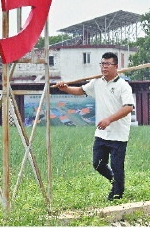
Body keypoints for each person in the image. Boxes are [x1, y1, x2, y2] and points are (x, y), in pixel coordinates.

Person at [55, 52, 134, 201]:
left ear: (116, 67)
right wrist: (65, 88)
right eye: (102, 64)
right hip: (102, 133)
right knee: (98, 163)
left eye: (108, 64)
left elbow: (128, 107)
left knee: (117, 166)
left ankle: (117, 193)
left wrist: (109, 120)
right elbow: (80, 90)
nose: (104, 67)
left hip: (118, 134)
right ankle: (115, 183)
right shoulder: (96, 83)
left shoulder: (124, 86)